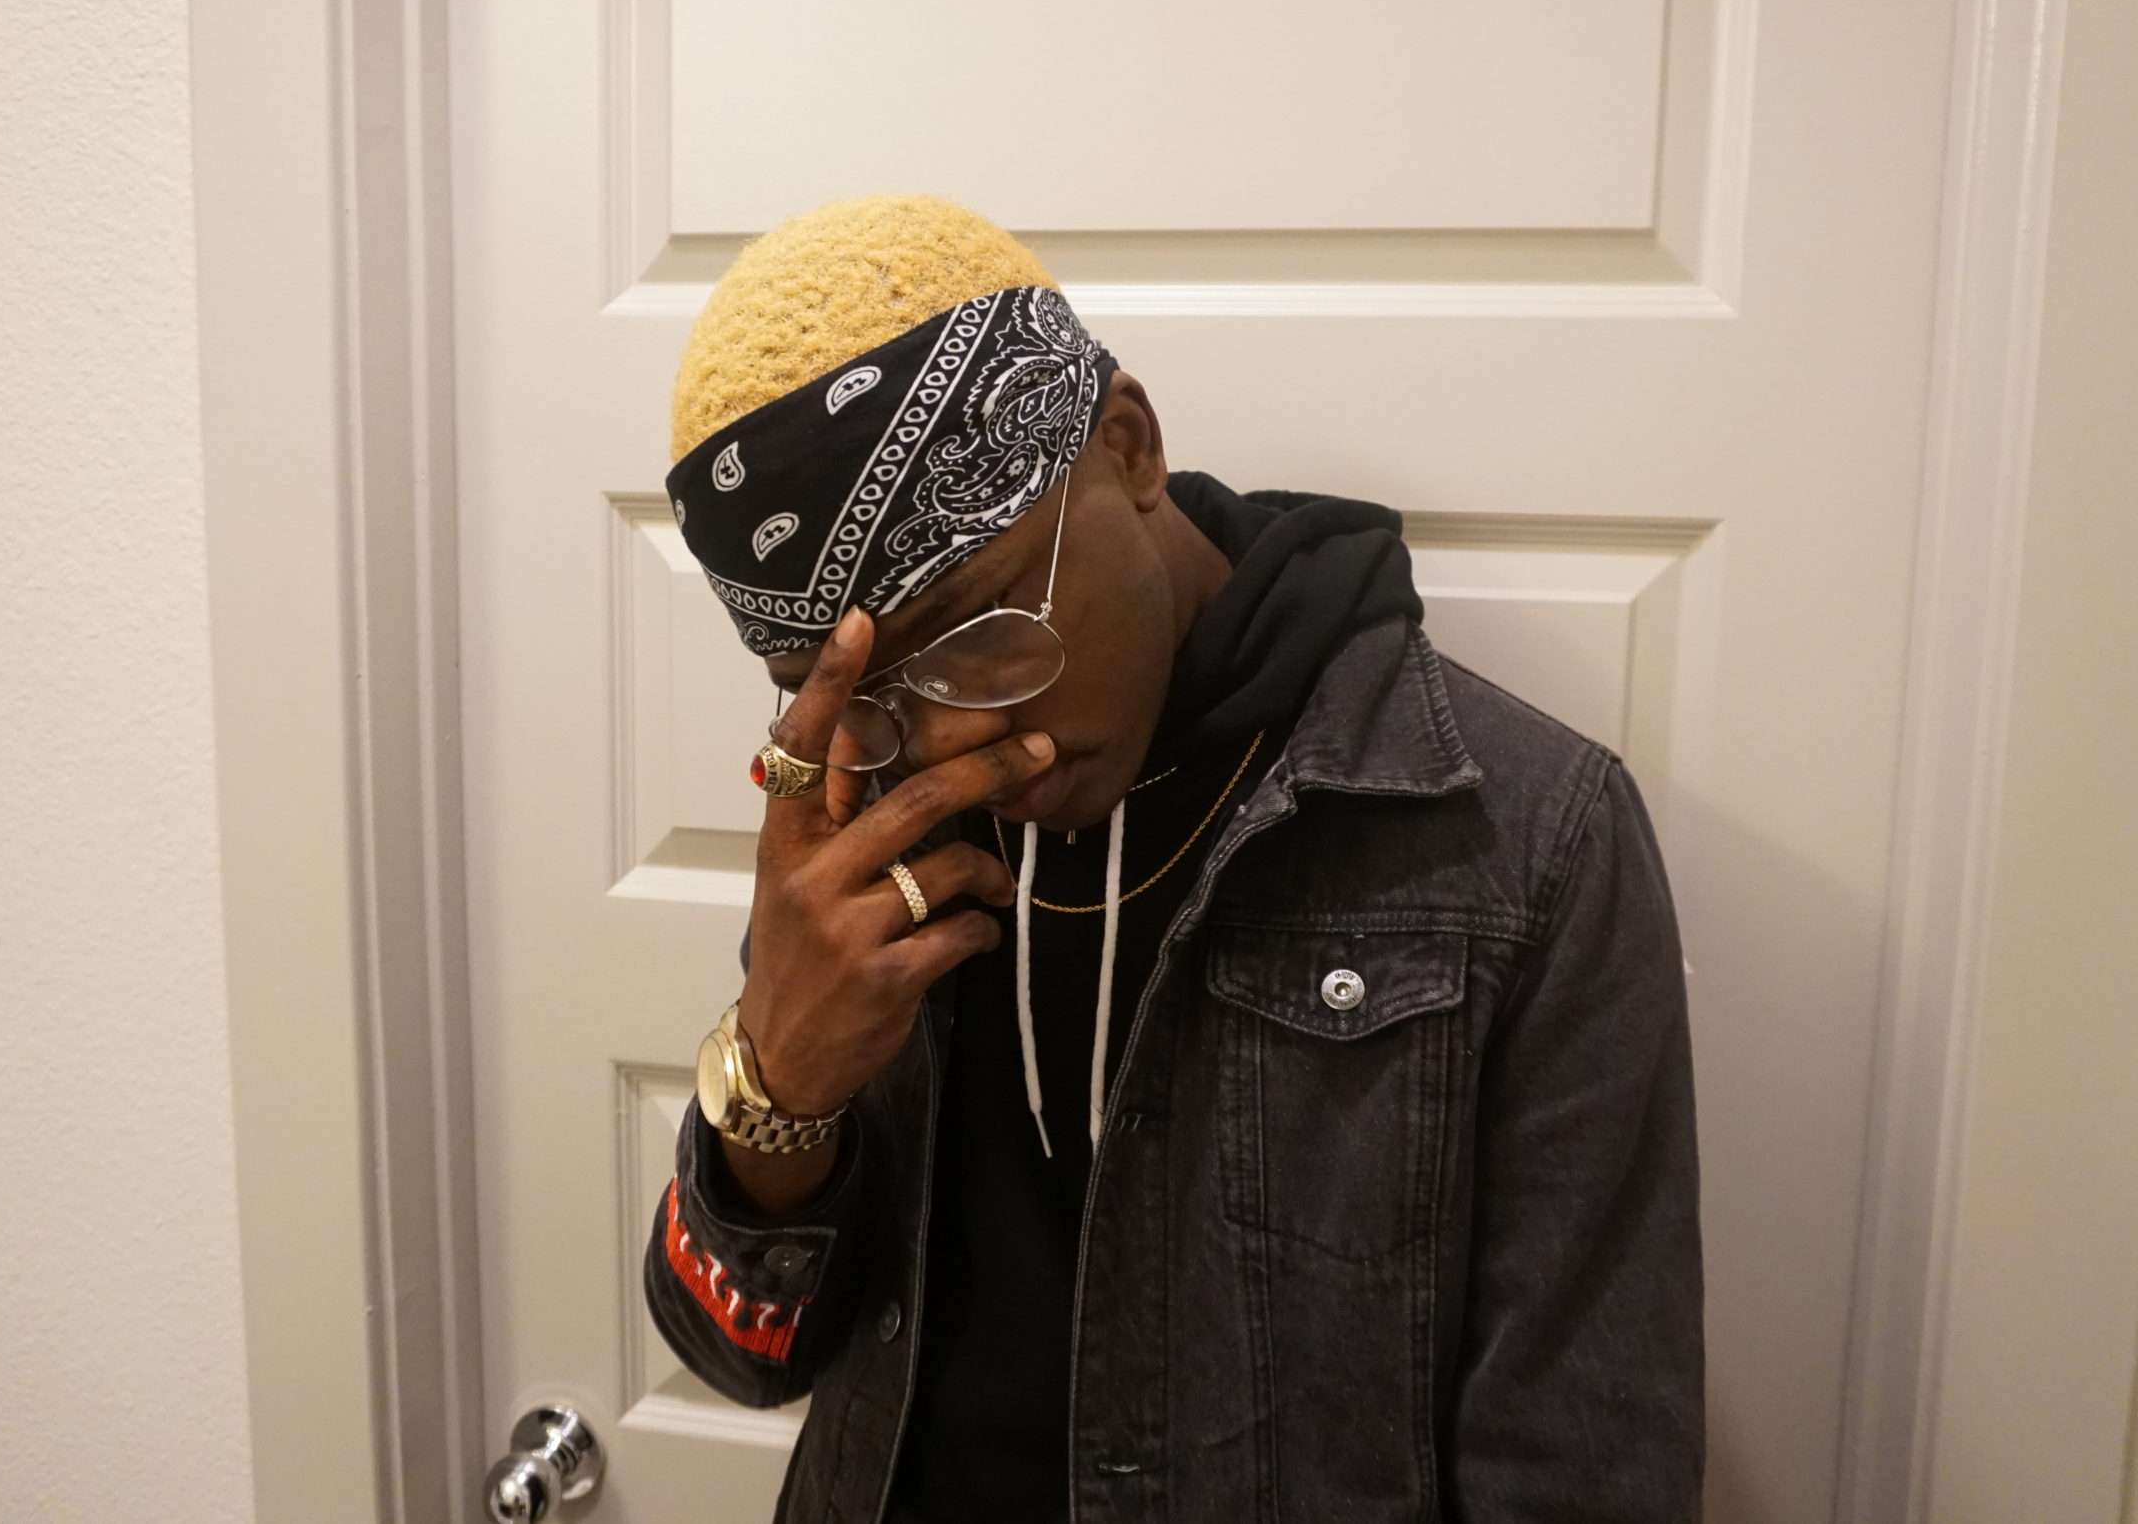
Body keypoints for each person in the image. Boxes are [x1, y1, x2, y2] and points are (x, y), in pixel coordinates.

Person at [644, 194, 1703, 1523]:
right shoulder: (863, 835)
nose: (953, 733)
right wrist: (776, 1084)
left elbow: (1585, 1470)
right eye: (865, 692)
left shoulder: (1518, 838)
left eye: (983, 624)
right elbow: (741, 1357)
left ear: (1128, 446)